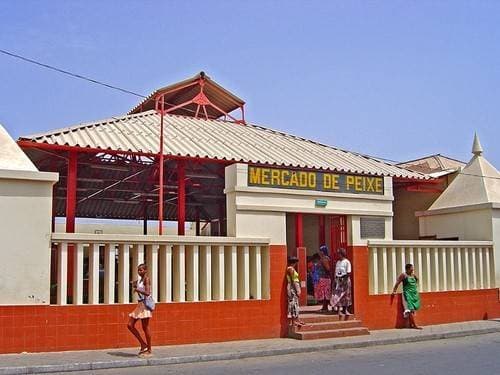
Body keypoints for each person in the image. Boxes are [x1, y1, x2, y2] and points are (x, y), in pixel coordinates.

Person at [127, 263, 153, 356]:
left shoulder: (147, 279)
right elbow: (134, 284)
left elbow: (147, 292)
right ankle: (143, 344)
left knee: (145, 327)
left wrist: (137, 290)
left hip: (144, 305)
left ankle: (149, 349)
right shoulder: (139, 280)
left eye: (141, 270)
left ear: (145, 270)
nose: (139, 271)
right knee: (130, 325)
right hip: (140, 305)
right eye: (138, 270)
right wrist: (133, 285)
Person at [392, 263, 422, 329]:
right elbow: (398, 282)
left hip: (413, 294)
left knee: (413, 309)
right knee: (410, 309)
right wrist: (394, 291)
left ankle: (411, 324)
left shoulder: (413, 275)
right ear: (407, 269)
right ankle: (414, 325)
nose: (412, 270)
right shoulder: (404, 275)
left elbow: (417, 279)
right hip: (407, 294)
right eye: (411, 269)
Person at [331, 248, 352, 316]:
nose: (338, 255)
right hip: (338, 280)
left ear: (342, 254)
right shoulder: (338, 262)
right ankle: (339, 310)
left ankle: (345, 310)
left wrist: (344, 281)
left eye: (339, 254)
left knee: (346, 295)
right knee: (338, 295)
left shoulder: (347, 262)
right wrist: (335, 280)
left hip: (345, 280)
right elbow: (336, 272)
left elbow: (348, 272)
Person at [286, 257, 305, 327]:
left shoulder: (291, 269)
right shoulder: (290, 269)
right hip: (292, 288)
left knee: (295, 304)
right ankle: (294, 321)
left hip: (293, 286)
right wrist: (296, 290)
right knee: (293, 304)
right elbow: (292, 280)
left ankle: (297, 319)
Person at [313, 245, 331, 312]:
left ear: (323, 252)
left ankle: (325, 307)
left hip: (324, 278)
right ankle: (324, 307)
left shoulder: (325, 259)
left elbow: (328, 268)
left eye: (320, 251)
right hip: (323, 278)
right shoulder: (323, 258)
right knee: (324, 293)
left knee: (325, 293)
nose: (319, 252)